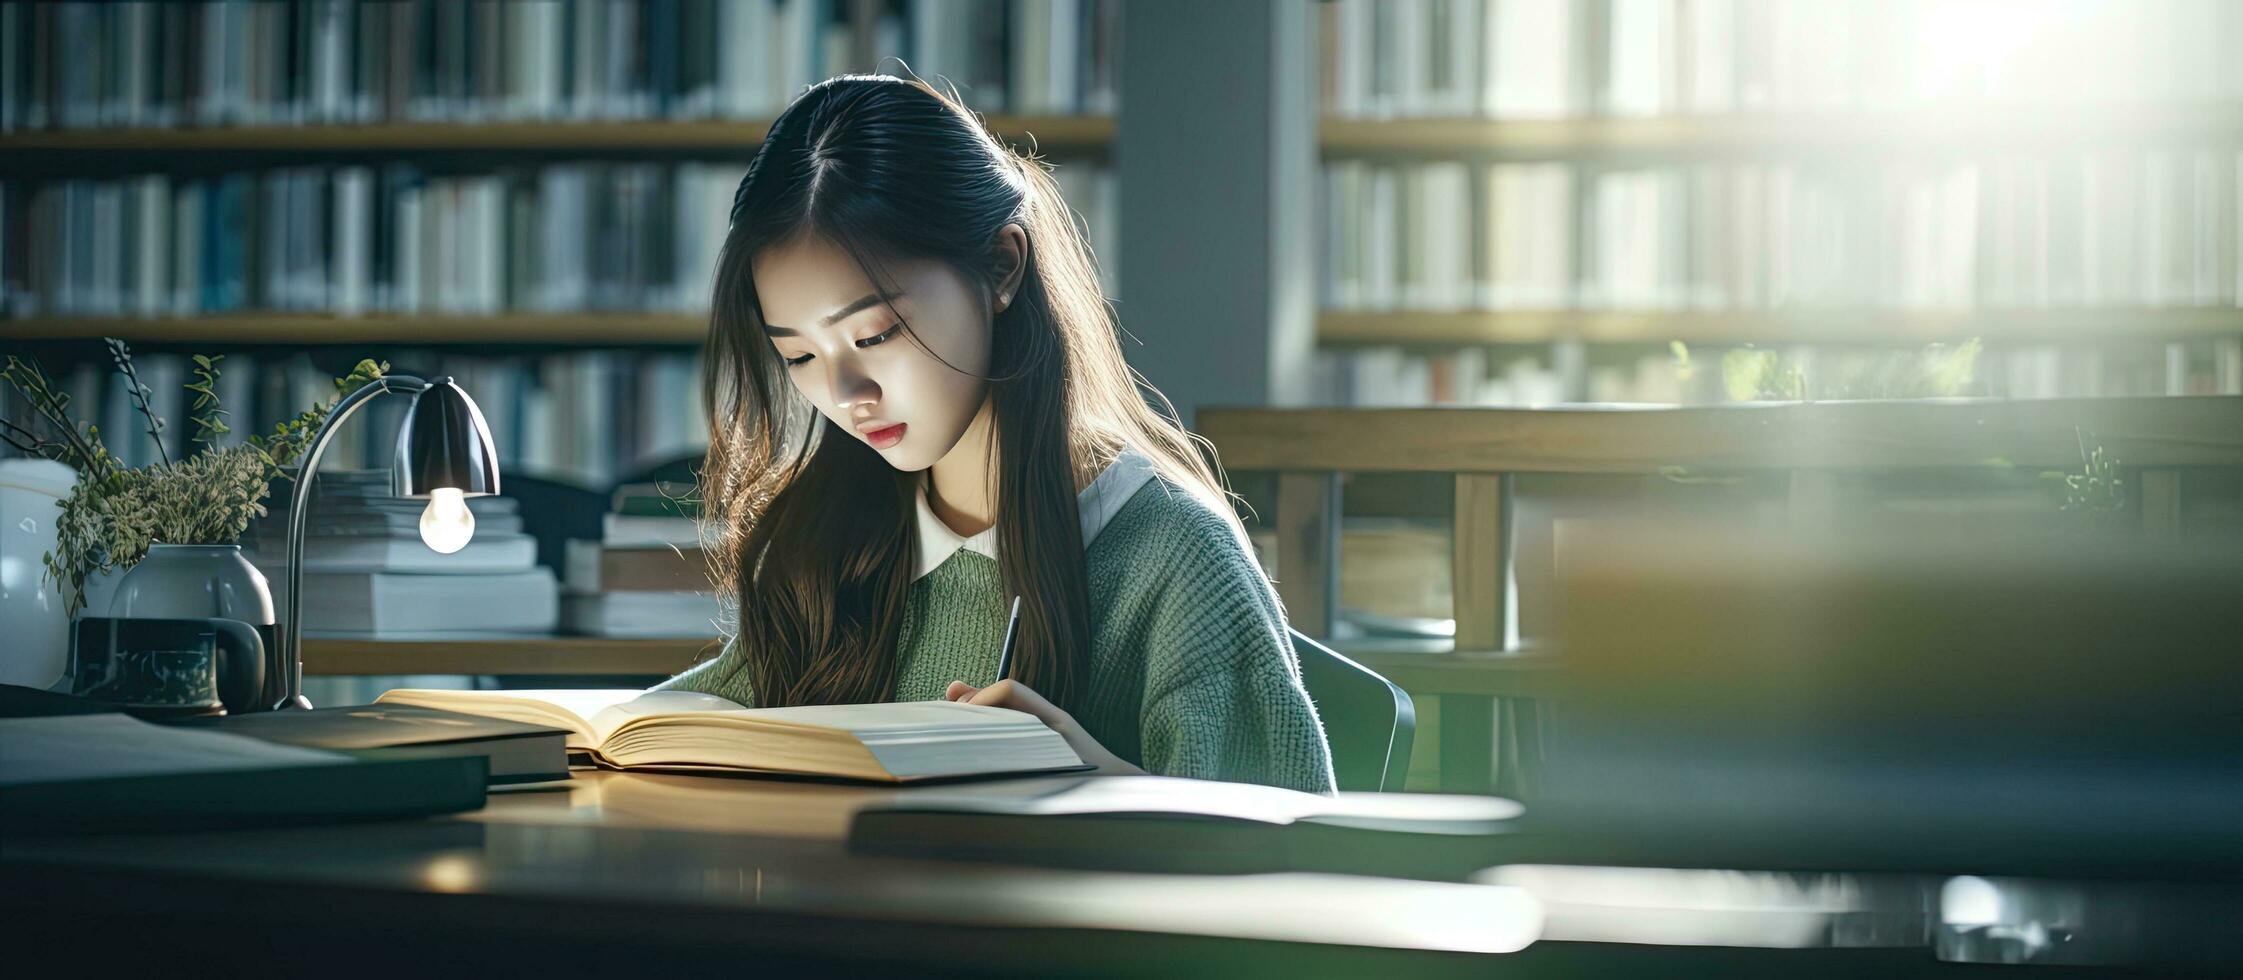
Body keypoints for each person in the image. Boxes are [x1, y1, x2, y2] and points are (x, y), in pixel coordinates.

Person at [656, 74, 1335, 794]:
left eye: (876, 333)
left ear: (1002, 266)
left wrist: (1091, 777)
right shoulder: (826, 543)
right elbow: (694, 724)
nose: (845, 394)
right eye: (798, 355)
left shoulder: (1170, 555)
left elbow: (1285, 858)